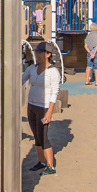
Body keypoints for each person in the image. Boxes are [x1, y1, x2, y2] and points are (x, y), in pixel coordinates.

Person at [22, 40, 61, 174]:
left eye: (40, 52)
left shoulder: (53, 72)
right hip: (31, 105)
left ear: (48, 54)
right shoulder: (32, 68)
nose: (37, 55)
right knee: (36, 136)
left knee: (43, 136)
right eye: (36, 52)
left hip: (43, 107)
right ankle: (41, 161)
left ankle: (50, 166)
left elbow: (54, 92)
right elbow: (21, 80)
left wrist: (49, 112)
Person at [83, 22, 97, 86]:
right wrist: (94, 53)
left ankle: (87, 81)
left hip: (89, 53)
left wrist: (90, 53)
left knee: (89, 66)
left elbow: (85, 46)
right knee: (96, 67)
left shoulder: (88, 35)